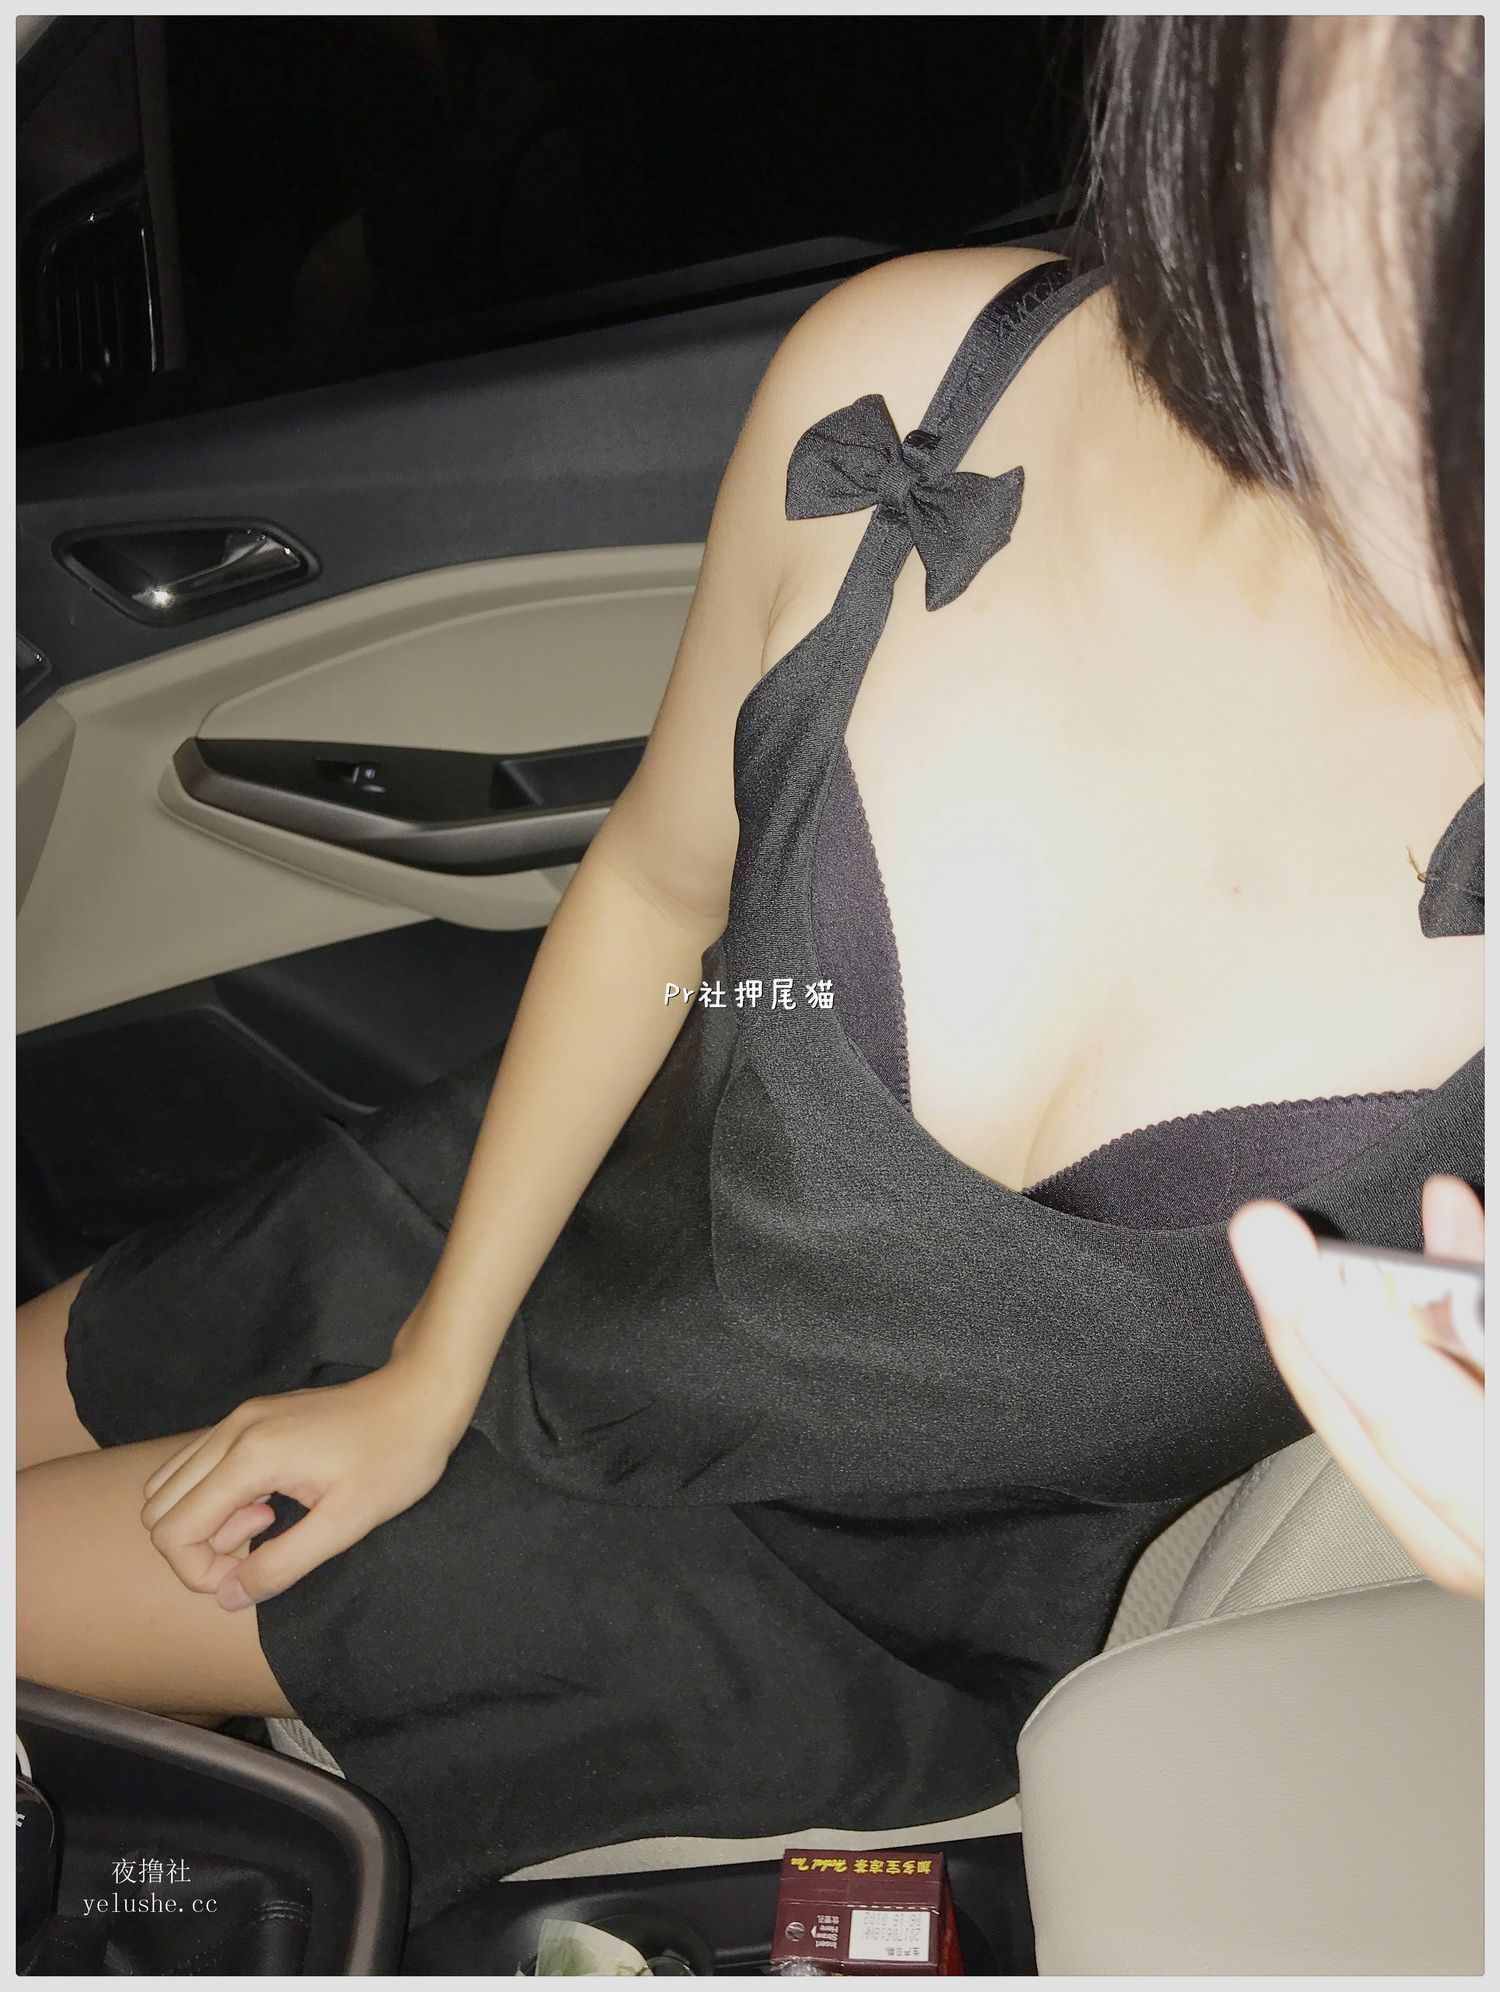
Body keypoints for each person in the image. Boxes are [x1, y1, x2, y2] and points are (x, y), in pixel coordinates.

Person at [17, 15, 1483, 1931]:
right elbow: (656, 895)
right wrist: (431, 1361)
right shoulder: (917, 381)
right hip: (556, 1217)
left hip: (806, 1592)